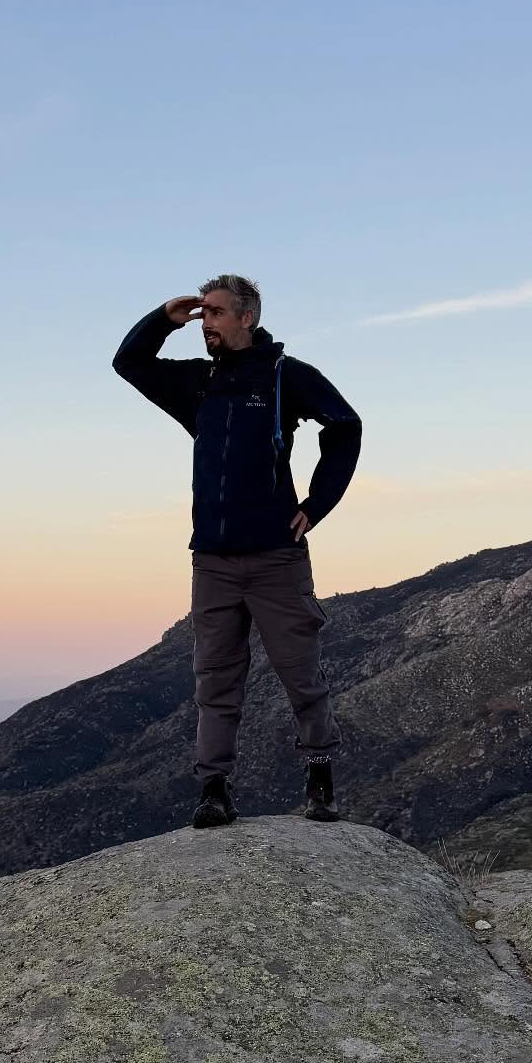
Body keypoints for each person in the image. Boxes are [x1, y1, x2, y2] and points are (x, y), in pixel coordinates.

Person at [112, 274, 362, 828]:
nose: (208, 325)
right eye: (203, 316)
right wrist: (162, 318)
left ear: (247, 318)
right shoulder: (198, 385)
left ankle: (320, 780)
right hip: (213, 561)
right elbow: (128, 364)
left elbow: (345, 428)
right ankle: (214, 790)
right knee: (215, 680)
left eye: (218, 314)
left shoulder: (283, 377)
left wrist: (316, 504)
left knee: (301, 674)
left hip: (276, 556)